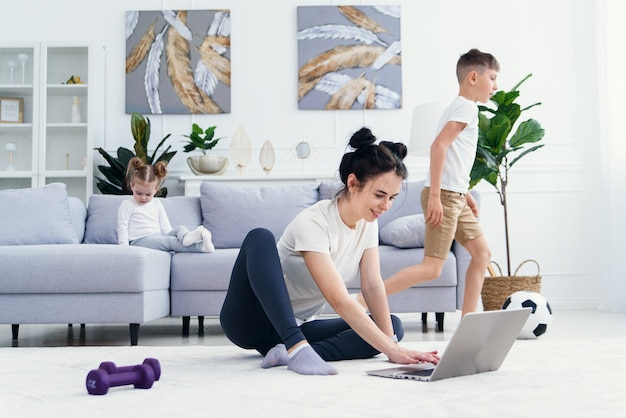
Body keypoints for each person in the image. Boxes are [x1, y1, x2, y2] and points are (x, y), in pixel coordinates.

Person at [219, 127, 440, 376]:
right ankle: (296, 347)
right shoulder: (314, 221)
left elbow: (372, 286)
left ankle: (287, 353)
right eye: (380, 195)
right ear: (353, 182)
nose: (386, 206)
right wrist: (390, 348)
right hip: (250, 321)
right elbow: (338, 299)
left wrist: (391, 346)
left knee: (391, 327)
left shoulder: (368, 222)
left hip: (299, 326)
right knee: (259, 236)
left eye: (392, 197)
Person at [359, 48, 498, 316]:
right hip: (444, 197)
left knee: (482, 253)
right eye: (492, 78)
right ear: (473, 77)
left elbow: (455, 158)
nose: (496, 85)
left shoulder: (460, 107)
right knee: (432, 267)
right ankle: (363, 300)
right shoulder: (466, 107)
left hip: (454, 195)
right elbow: (438, 147)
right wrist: (435, 196)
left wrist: (464, 191)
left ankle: (469, 323)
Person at [117, 157, 214, 253]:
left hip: (157, 237)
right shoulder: (127, 205)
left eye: (148, 194)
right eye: (139, 193)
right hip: (138, 241)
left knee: (180, 228)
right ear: (132, 185)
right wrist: (125, 250)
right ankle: (201, 247)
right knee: (170, 242)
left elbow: (165, 227)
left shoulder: (157, 203)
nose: (143, 197)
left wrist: (172, 235)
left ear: (156, 189)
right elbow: (122, 228)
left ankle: (185, 238)